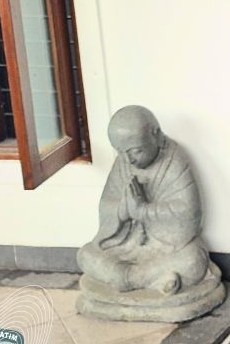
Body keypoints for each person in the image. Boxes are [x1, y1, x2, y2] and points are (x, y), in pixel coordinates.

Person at [78, 105, 210, 296]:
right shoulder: (124, 161)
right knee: (85, 255)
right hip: (127, 246)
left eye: (136, 151)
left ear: (156, 135)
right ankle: (151, 279)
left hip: (165, 248)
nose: (128, 159)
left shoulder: (174, 160)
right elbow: (106, 206)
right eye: (121, 152)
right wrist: (122, 211)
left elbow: (189, 213)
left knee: (193, 259)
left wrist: (142, 210)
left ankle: (128, 278)